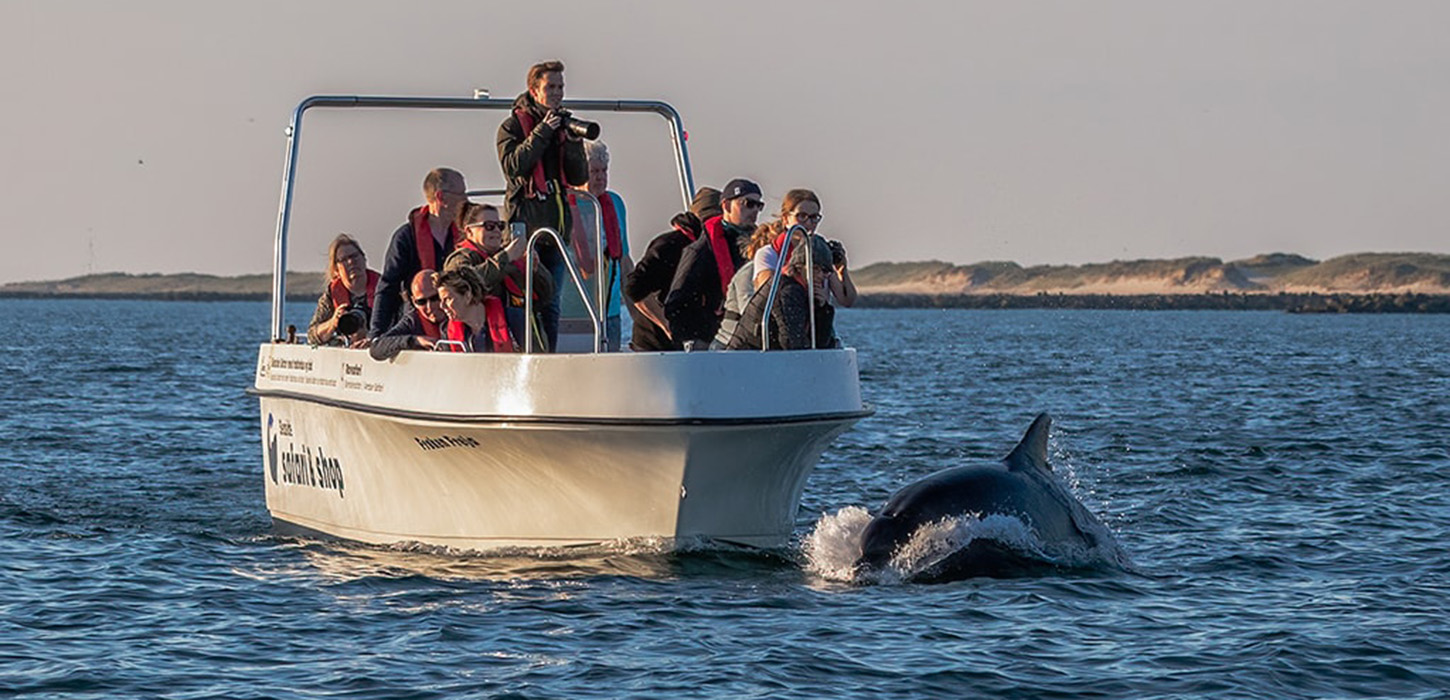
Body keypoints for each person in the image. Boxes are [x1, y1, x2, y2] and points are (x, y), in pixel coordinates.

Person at [497, 60, 589, 352]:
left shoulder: (562, 127)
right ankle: (525, 355)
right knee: (525, 301)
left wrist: (573, 143)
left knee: (552, 304)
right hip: (526, 231)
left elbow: (579, 178)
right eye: (551, 87)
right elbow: (513, 168)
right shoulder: (512, 126)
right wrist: (542, 132)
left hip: (556, 232)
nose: (557, 93)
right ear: (534, 90)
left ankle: (549, 358)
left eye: (561, 87)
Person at [663, 179, 763, 348]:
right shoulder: (700, 250)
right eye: (748, 204)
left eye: (759, 206)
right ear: (726, 205)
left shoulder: (757, 247)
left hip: (743, 337)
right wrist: (697, 337)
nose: (754, 210)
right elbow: (676, 303)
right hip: (708, 340)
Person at [369, 168, 467, 337]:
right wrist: (376, 335)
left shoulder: (465, 235)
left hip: (459, 322)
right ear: (441, 197)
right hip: (419, 325)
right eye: (461, 195)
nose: (466, 201)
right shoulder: (406, 237)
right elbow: (388, 288)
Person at [446, 201, 555, 350]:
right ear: (469, 231)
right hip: (487, 341)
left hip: (523, 338)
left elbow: (547, 295)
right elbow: (462, 286)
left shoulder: (511, 256)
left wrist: (535, 268)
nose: (497, 231)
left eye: (500, 226)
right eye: (489, 226)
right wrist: (506, 257)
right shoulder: (460, 259)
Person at [625, 187, 720, 352]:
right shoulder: (669, 245)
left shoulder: (711, 248)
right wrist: (667, 325)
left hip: (691, 342)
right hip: (655, 348)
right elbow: (634, 288)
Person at [568, 140, 633, 351]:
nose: (600, 177)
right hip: (572, 311)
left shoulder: (615, 203)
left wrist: (637, 314)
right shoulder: (564, 206)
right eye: (594, 171)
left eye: (604, 171)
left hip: (610, 310)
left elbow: (624, 260)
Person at [726, 234, 837, 351]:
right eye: (815, 269)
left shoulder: (801, 291)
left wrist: (822, 309)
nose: (820, 276)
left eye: (825, 271)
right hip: (746, 356)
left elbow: (821, 344)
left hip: (757, 356)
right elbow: (792, 342)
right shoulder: (788, 291)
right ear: (799, 267)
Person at [750, 188, 858, 308]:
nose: (808, 223)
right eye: (801, 216)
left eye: (814, 217)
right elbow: (767, 294)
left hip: (815, 317)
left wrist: (842, 271)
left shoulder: (821, 253)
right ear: (786, 219)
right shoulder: (768, 254)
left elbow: (847, 300)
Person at [307, 234, 377, 347]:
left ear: (364, 259)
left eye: (354, 256)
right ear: (336, 269)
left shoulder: (385, 289)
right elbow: (312, 337)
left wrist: (373, 338)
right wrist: (333, 323)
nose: (351, 262)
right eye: (344, 260)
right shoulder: (331, 295)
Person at [369, 269, 448, 361]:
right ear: (414, 302)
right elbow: (376, 348)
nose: (429, 307)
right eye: (421, 302)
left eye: (435, 298)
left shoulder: (457, 312)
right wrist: (414, 341)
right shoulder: (413, 320)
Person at [436, 266, 515, 352]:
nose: (442, 306)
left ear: (468, 295)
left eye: (448, 299)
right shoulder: (446, 331)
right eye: (441, 300)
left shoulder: (514, 319)